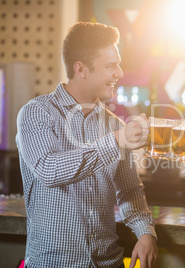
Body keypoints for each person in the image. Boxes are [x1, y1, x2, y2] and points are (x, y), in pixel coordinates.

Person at [16, 22, 158, 268]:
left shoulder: (114, 126)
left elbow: (130, 190)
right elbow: (49, 170)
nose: (120, 73)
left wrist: (145, 232)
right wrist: (117, 142)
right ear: (81, 69)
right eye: (111, 66)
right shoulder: (36, 113)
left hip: (109, 262)